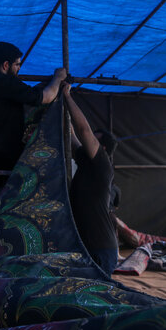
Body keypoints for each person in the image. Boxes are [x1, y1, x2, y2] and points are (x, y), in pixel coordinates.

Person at [0, 41, 67, 171]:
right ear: (6, 65)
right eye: (17, 64)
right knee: (47, 162)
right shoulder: (5, 81)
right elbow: (46, 97)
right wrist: (58, 78)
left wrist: (41, 87)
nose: (19, 69)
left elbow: (21, 95)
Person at [63, 83, 119, 275]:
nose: (88, 142)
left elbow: (83, 131)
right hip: (88, 247)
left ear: (102, 148)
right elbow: (72, 136)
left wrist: (67, 96)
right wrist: (60, 107)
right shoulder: (87, 162)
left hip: (101, 248)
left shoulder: (102, 164)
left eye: (94, 140)